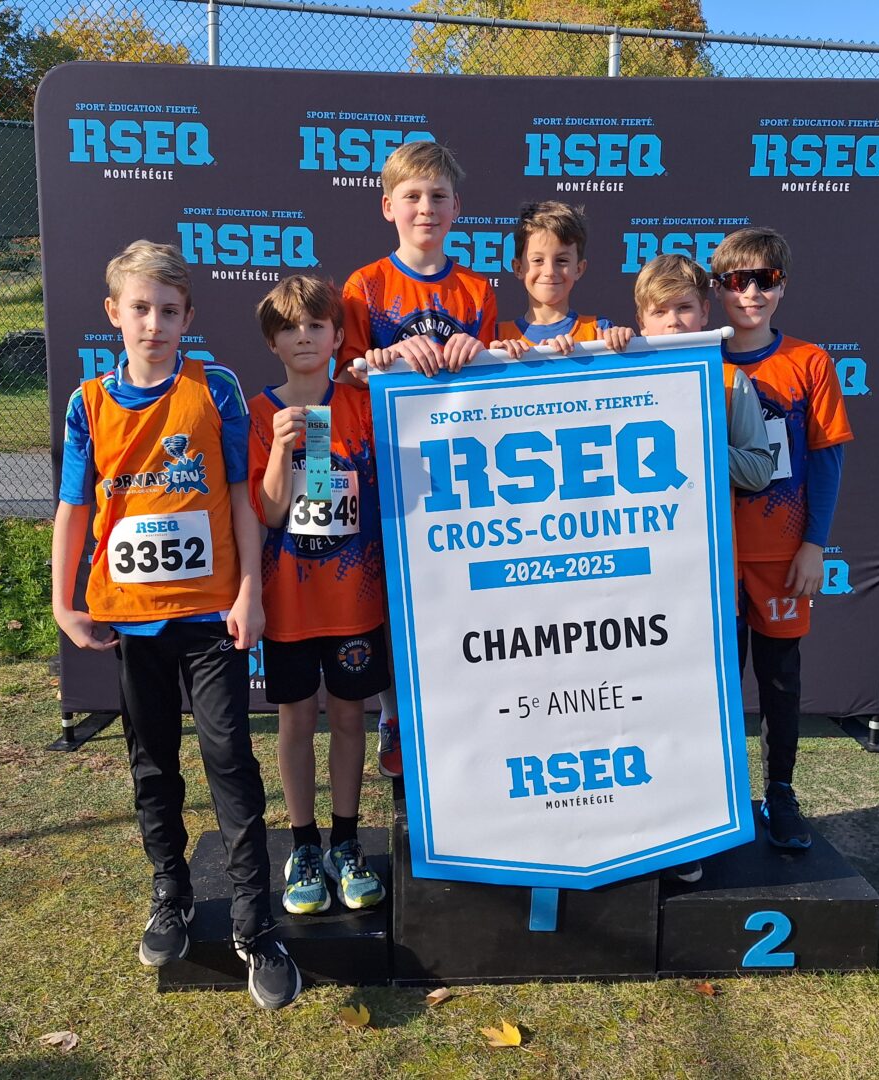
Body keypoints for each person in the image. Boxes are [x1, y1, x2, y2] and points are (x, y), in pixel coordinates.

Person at [50, 239, 300, 1010]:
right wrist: (63, 601)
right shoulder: (88, 403)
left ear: (188, 316)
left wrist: (250, 591)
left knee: (230, 761)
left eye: (167, 311)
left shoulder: (214, 390)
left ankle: (256, 931)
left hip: (209, 621)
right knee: (153, 765)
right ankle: (173, 893)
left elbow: (241, 503)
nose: (152, 324)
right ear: (113, 315)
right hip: (136, 627)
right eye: (139, 309)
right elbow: (75, 508)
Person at [337, 139, 499, 777]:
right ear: (387, 207)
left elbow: (493, 385)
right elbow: (346, 374)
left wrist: (469, 352)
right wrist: (383, 361)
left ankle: (451, 711)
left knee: (449, 594)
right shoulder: (366, 285)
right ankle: (393, 716)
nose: (425, 208)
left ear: (457, 206)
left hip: (455, 470)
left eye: (437, 196)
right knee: (387, 597)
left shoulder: (475, 289)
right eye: (412, 197)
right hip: (383, 465)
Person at [248, 275, 390, 916]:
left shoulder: (360, 403)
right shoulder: (258, 412)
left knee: (350, 718)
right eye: (289, 328)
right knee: (296, 720)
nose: (303, 337)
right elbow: (272, 512)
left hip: (355, 603)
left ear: (337, 335)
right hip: (289, 608)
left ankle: (345, 839)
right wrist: (280, 452)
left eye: (315, 326)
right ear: (272, 341)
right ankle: (303, 845)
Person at [710, 227, 854, 850]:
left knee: (779, 681)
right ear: (718, 288)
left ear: (782, 284)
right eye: (736, 281)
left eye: (763, 279)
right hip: (709, 555)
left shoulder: (809, 362)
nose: (750, 293)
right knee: (712, 683)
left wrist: (814, 544)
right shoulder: (689, 359)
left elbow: (826, 460)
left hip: (779, 554)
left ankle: (781, 795)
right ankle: (712, 800)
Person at [635, 252, 775, 882]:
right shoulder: (615, 371)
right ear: (642, 317)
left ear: (703, 312)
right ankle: (634, 823)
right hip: (630, 572)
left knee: (693, 702)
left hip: (699, 572)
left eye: (684, 307)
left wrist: (698, 443)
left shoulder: (730, 384)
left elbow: (760, 468)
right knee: (635, 701)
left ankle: (687, 835)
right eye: (660, 311)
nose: (673, 320)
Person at [493, 200, 633, 356]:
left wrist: (625, 343)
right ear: (518, 268)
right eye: (538, 260)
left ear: (579, 269)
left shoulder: (599, 331)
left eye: (562, 261)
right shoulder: (498, 337)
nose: (550, 271)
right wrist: (496, 358)